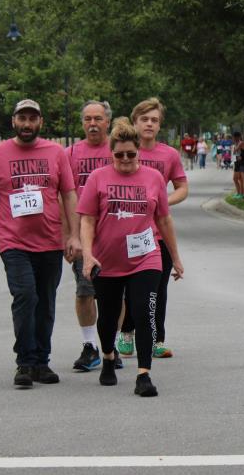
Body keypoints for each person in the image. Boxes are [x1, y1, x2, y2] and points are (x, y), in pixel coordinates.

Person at [0, 99, 81, 389]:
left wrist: (74, 235)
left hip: (50, 241)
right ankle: (25, 361)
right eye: (22, 118)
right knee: (25, 296)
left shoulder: (56, 153)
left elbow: (69, 195)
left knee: (45, 302)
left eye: (33, 119)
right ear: (13, 121)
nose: (27, 124)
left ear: (40, 123)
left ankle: (41, 362)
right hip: (14, 242)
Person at [78, 118, 183, 397]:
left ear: (139, 151)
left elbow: (164, 220)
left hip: (145, 257)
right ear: (111, 152)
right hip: (107, 260)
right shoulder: (97, 178)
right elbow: (87, 220)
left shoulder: (154, 178)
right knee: (108, 316)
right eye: (119, 154)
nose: (125, 159)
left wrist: (175, 257)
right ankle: (108, 357)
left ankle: (144, 374)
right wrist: (87, 255)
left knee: (144, 312)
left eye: (131, 154)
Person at [116, 97, 188, 360]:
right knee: (129, 288)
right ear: (134, 122)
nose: (149, 124)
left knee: (157, 289)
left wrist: (163, 201)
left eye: (154, 120)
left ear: (160, 125)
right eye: (144, 119)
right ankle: (127, 332)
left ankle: (157, 339)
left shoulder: (168, 155)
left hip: (157, 234)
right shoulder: (124, 151)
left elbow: (182, 187)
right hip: (127, 232)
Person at [65, 100, 115, 373]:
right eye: (87, 119)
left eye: (98, 118)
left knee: (115, 293)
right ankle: (90, 346)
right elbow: (64, 198)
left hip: (114, 235)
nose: (92, 124)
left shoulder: (118, 150)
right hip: (84, 237)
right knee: (85, 291)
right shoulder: (71, 154)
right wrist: (69, 236)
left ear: (108, 121)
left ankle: (110, 346)